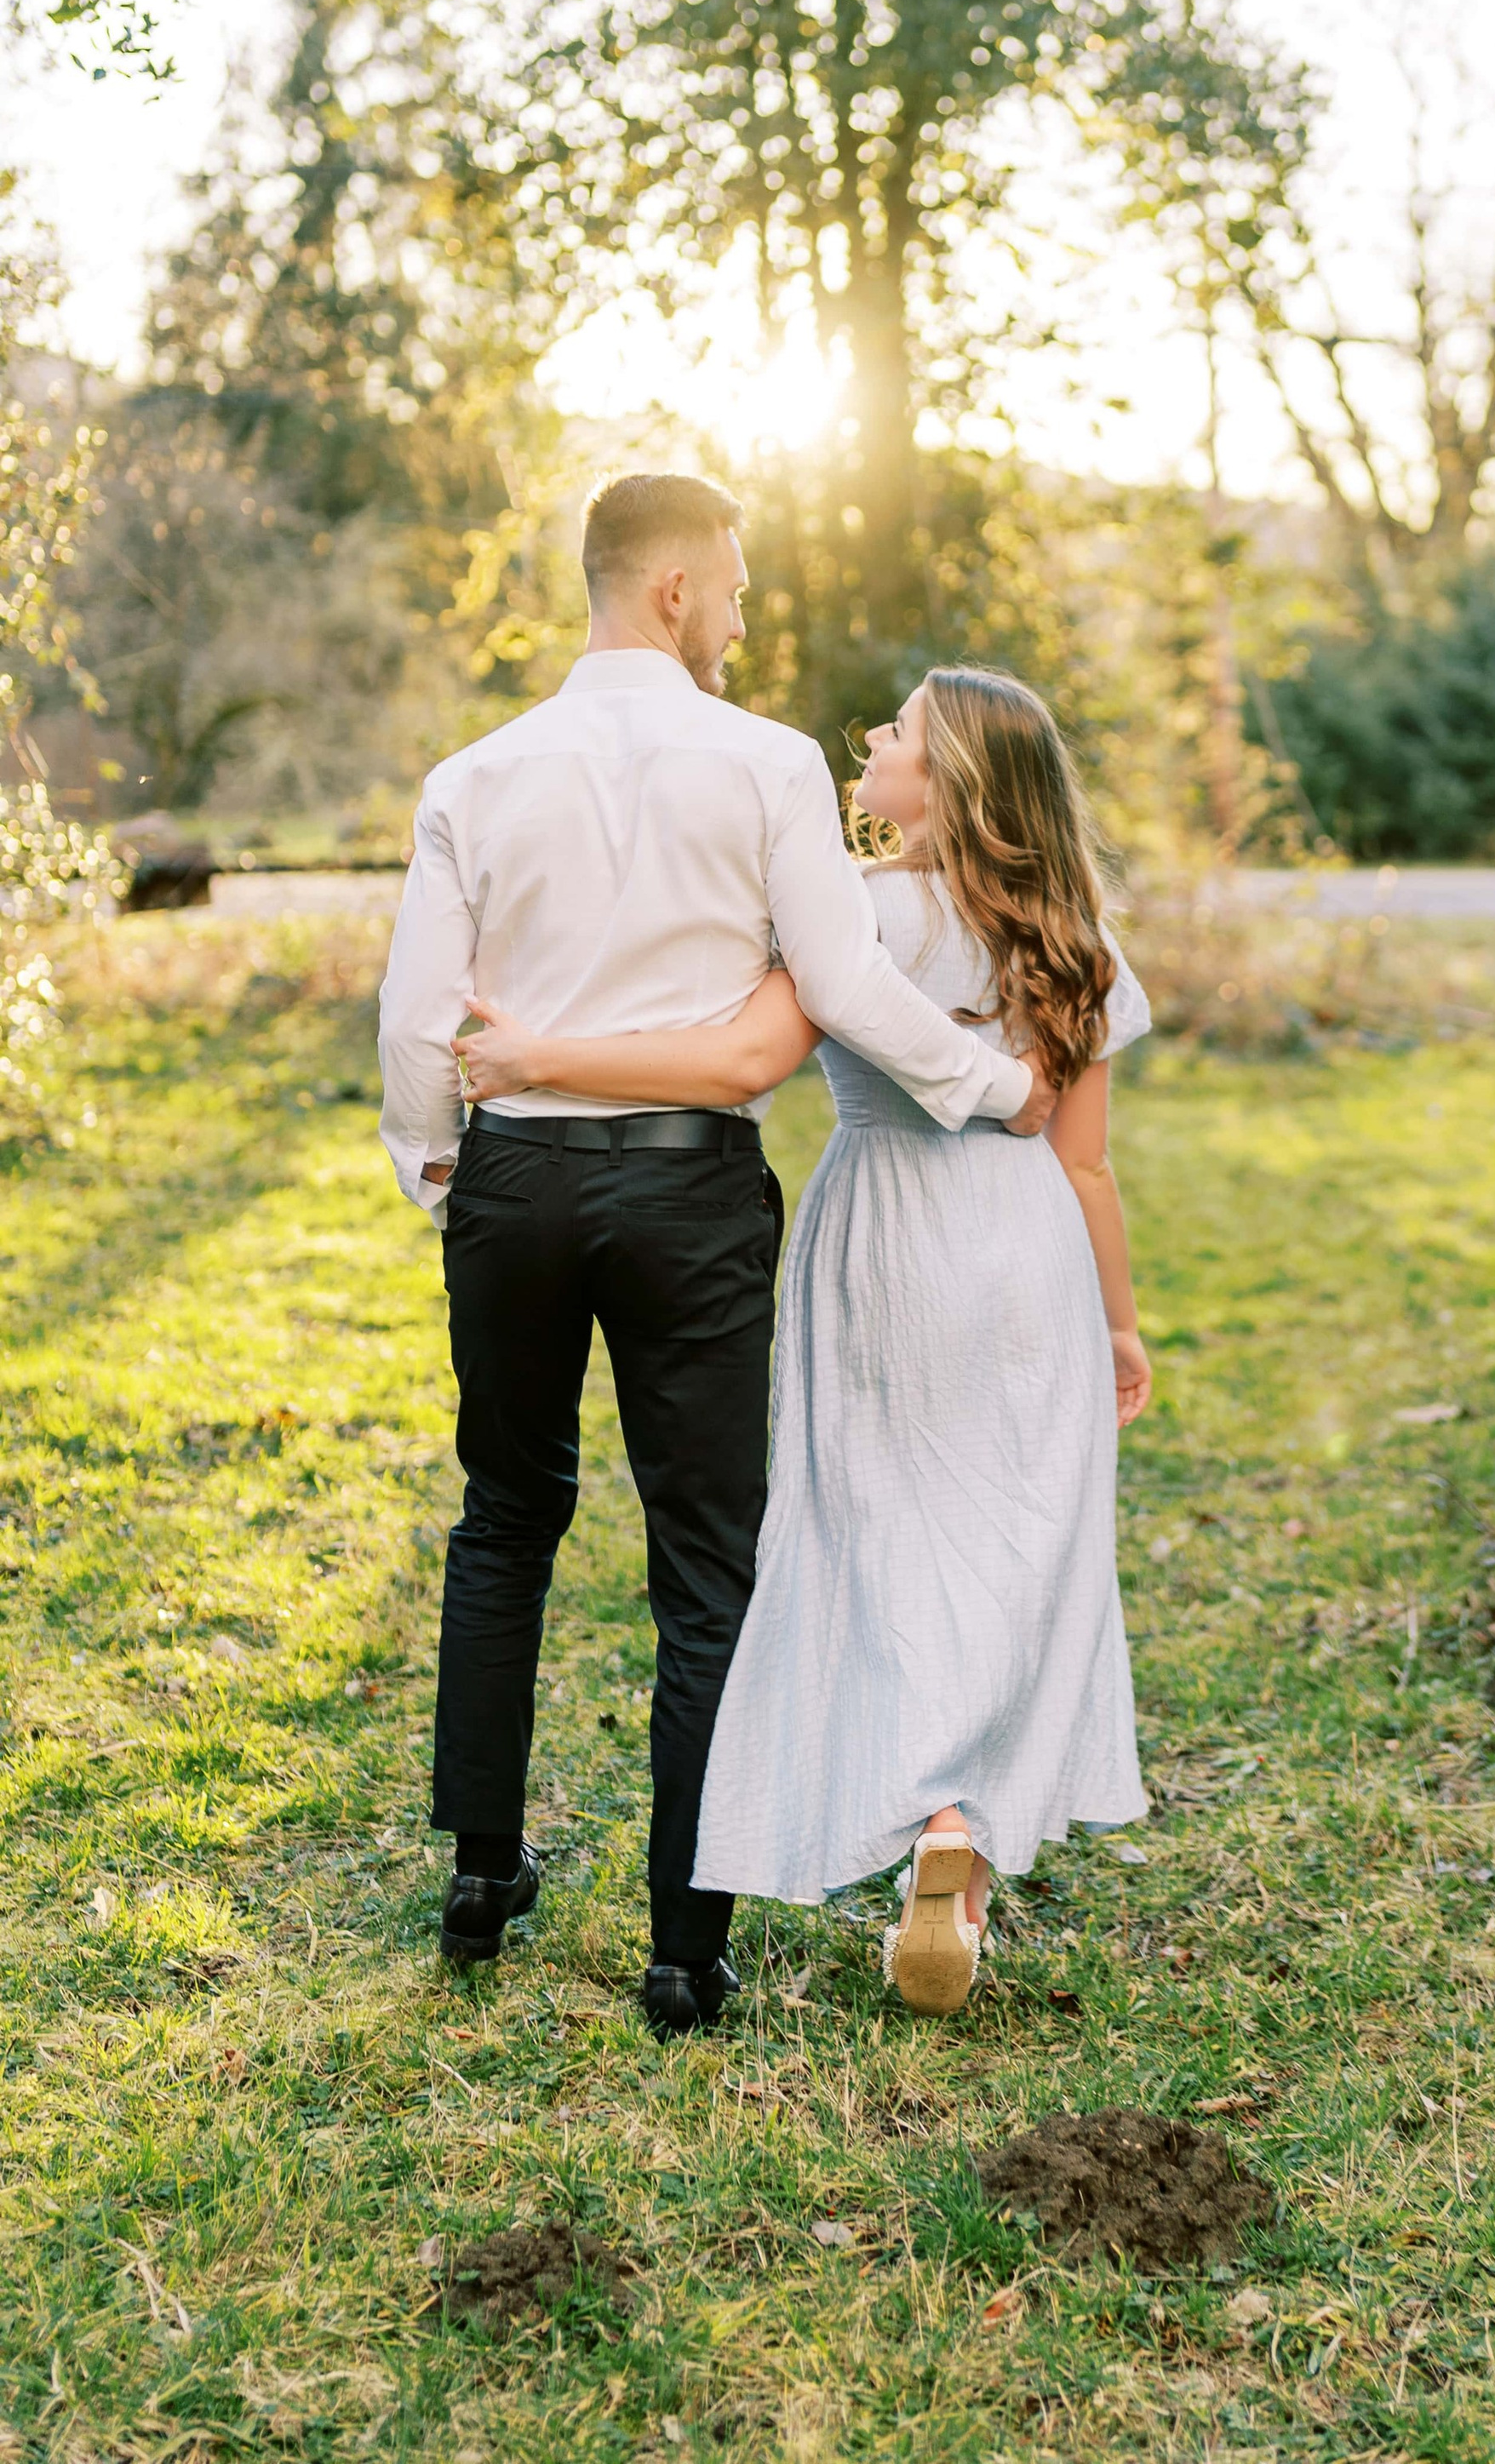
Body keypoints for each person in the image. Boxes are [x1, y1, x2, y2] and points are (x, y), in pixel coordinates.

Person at [375, 477, 1055, 2040]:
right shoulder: (763, 766)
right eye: (738, 592)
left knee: (506, 1514)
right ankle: (687, 1953)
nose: (747, 622)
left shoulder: (473, 776)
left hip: (518, 1176)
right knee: (704, 1563)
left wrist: (441, 1171)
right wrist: (994, 1084)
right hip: (687, 1198)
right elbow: (842, 984)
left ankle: (482, 1876)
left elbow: (423, 1017)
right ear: (673, 590)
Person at [456, 665, 1154, 2015]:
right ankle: (958, 1851)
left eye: (896, 732)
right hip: (1029, 1259)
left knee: (881, 1529)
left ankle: (932, 1808)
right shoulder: (1077, 935)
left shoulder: (860, 910)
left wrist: (545, 1058)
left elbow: (732, 1063)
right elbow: (1087, 1167)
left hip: (885, 1242)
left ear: (944, 783)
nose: (870, 742)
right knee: (1013, 1539)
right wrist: (1118, 1320)